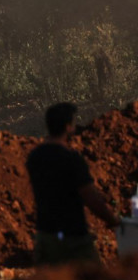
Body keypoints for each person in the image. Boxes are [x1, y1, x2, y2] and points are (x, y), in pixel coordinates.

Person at [25, 102, 119, 266]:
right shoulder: (71, 159)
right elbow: (91, 197)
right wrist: (112, 219)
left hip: (45, 236)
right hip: (73, 239)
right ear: (68, 127)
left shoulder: (34, 157)